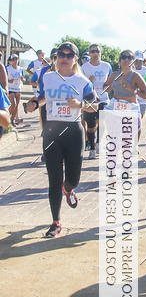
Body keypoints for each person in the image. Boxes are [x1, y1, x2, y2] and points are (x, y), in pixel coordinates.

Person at [24, 41, 97, 238]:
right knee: (54, 179)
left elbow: (94, 105)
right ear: (56, 58)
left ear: (75, 59)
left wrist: (79, 104)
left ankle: (69, 189)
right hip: (52, 132)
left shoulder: (82, 81)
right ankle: (55, 222)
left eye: (68, 55)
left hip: (73, 131)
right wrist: (32, 105)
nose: (64, 59)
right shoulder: (48, 78)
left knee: (73, 178)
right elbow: (42, 98)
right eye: (60, 55)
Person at [103, 50, 146, 135]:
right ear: (119, 60)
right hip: (115, 106)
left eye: (130, 58)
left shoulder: (136, 76)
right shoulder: (114, 75)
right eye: (124, 57)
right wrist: (110, 87)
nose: (126, 60)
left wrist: (132, 89)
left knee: (130, 142)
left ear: (133, 61)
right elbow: (105, 88)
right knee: (111, 138)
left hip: (131, 108)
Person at [81, 44, 112, 158]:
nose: (95, 53)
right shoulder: (84, 67)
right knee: (91, 126)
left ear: (100, 53)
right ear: (89, 54)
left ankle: (99, 143)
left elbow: (110, 81)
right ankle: (92, 148)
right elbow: (81, 83)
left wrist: (108, 86)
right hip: (90, 100)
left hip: (104, 98)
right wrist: (89, 82)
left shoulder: (106, 66)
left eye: (97, 51)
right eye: (93, 51)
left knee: (102, 122)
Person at [6, 54, 25, 124]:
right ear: (11, 61)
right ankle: (6, 116)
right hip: (10, 87)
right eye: (13, 59)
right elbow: (4, 78)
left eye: (16, 59)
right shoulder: (8, 68)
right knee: (13, 104)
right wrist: (10, 80)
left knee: (17, 105)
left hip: (18, 88)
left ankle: (12, 120)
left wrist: (22, 79)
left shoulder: (20, 69)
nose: (15, 61)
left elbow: (24, 78)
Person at [132, 51, 146, 120]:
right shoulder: (130, 70)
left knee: (139, 119)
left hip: (143, 100)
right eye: (136, 61)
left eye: (140, 61)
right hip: (132, 100)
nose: (138, 63)